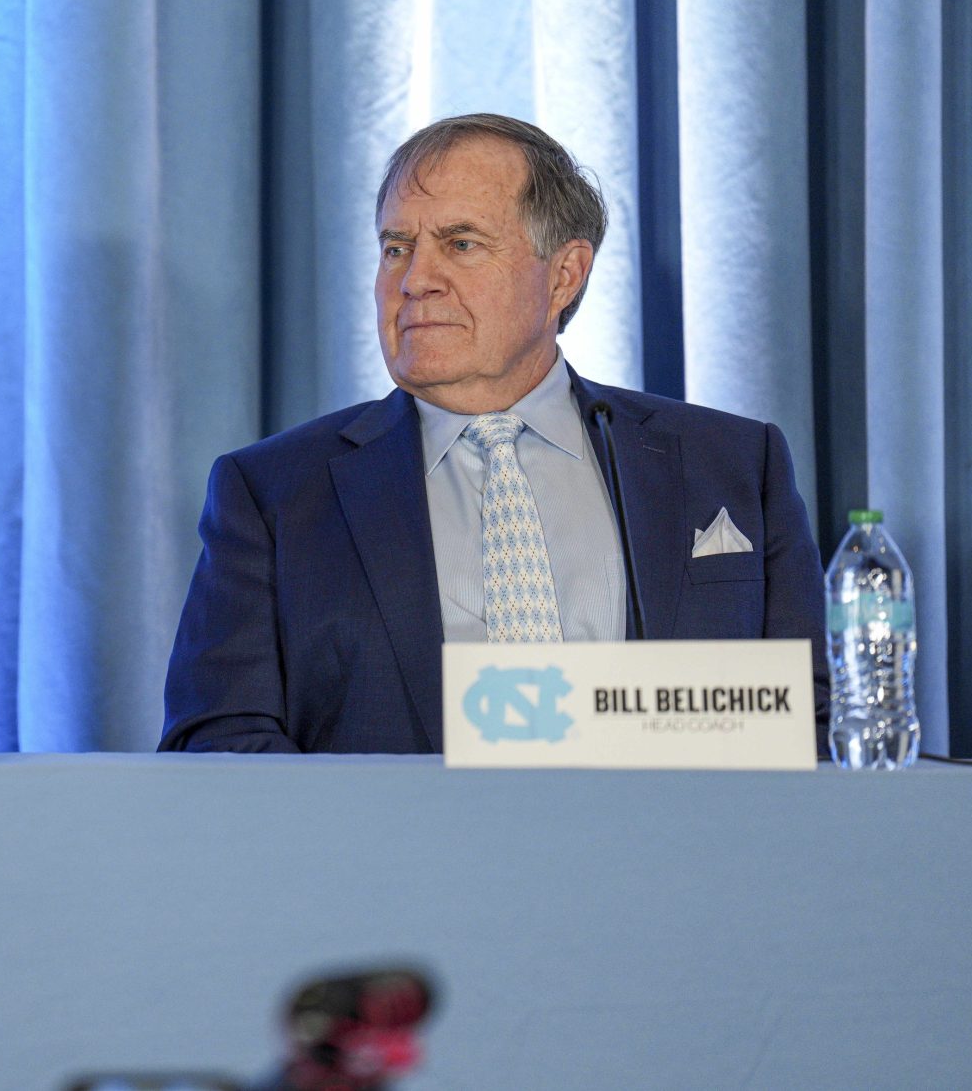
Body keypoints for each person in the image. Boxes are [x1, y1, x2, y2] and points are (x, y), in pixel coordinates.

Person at [160, 113, 826, 754]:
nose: (415, 280)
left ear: (564, 274)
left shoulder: (732, 465)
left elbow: (816, 730)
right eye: (396, 248)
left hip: (673, 862)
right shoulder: (274, 494)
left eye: (460, 243)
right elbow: (219, 743)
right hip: (394, 867)